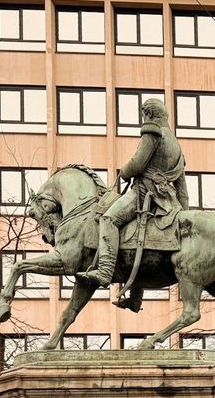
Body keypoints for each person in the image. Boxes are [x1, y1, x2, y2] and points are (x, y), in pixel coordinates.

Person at [79, 98, 187, 288]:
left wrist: (124, 171)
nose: (143, 118)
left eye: (143, 114)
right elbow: (182, 189)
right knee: (139, 238)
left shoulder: (153, 132)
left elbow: (137, 164)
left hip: (144, 192)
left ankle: (104, 271)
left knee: (109, 220)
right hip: (169, 203)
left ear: (149, 114)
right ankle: (135, 296)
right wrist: (184, 213)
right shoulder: (176, 146)